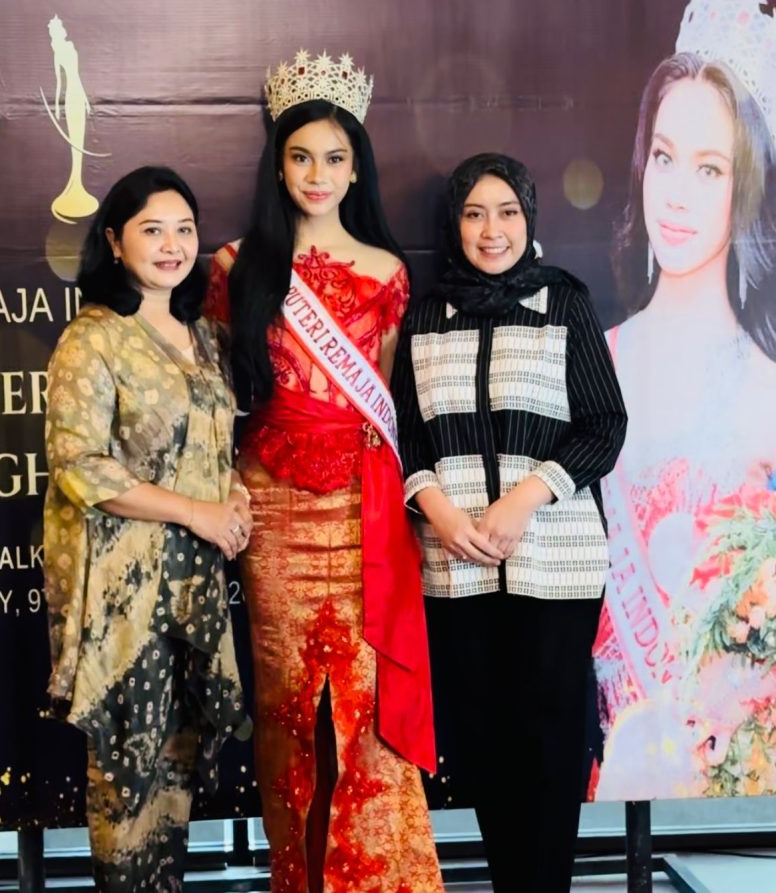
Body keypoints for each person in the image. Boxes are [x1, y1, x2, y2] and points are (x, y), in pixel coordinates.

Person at [204, 51, 443, 893]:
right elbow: (217, 393)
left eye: (334, 158)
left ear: (356, 168)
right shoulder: (235, 266)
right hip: (271, 510)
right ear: (278, 165)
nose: (317, 174)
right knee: (287, 703)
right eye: (301, 157)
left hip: (359, 508)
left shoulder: (388, 271)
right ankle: (297, 876)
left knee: (365, 704)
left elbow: (390, 400)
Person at [391, 152, 627, 893]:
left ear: (529, 218)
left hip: (554, 567)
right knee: (486, 747)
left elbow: (604, 426)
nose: (491, 230)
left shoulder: (564, 301)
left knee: (550, 747)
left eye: (507, 213)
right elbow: (404, 438)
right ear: (453, 224)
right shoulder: (427, 315)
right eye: (474, 214)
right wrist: (437, 508)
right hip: (457, 566)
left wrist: (524, 497)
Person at [44, 166, 252, 891]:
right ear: (114, 241)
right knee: (128, 784)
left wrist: (233, 495)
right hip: (125, 596)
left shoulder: (206, 335)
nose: (172, 246)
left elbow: (217, 445)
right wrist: (196, 512)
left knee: (177, 778)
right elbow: (79, 464)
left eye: (184, 230)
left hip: (195, 588)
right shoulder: (93, 338)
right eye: (152, 230)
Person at [593, 0, 776, 801]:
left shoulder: (767, 386)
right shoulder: (593, 363)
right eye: (665, 157)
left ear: (747, 188)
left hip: (742, 778)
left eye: (710, 169)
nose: (676, 194)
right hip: (609, 772)